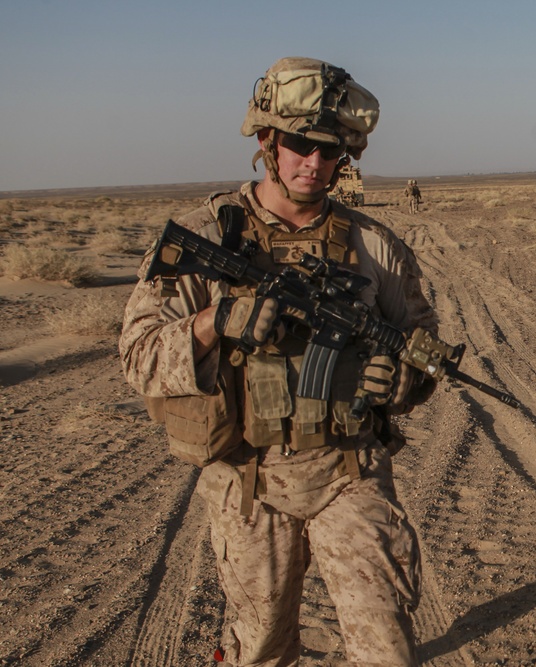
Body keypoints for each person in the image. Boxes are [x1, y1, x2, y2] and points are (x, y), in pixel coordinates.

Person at [120, 57, 438, 666]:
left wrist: (403, 379)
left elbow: (419, 341)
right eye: (298, 145)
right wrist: (217, 322)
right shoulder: (206, 237)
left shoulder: (373, 245)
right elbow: (138, 357)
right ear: (267, 140)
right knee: (260, 649)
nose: (313, 164)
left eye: (330, 151)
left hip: (349, 470)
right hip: (248, 481)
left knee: (387, 647)